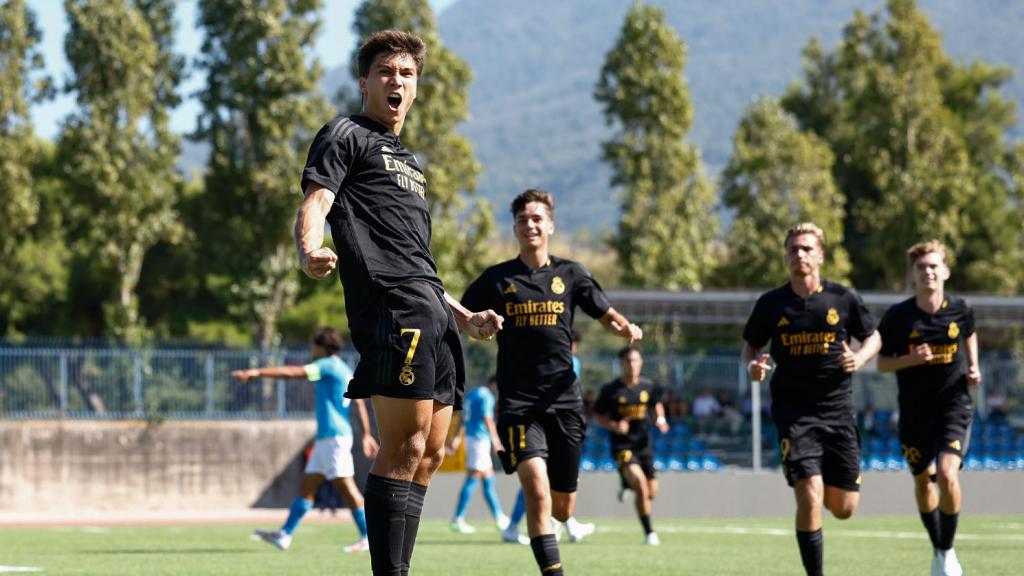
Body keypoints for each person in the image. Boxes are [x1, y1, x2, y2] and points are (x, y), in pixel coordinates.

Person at [293, 30, 502, 576]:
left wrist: (466, 315)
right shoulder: (345, 134)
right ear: (365, 82)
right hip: (393, 310)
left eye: (406, 74)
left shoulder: (411, 163)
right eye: (386, 72)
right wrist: (309, 246)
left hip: (434, 313)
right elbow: (317, 199)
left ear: (416, 90)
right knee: (402, 449)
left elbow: (419, 263)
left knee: (430, 456)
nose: (396, 81)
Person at [462, 188, 642, 576]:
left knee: (563, 507)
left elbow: (606, 314)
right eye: (523, 219)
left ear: (551, 225)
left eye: (537, 218)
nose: (530, 224)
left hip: (564, 403)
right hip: (518, 404)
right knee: (536, 489)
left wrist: (624, 327)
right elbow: (463, 315)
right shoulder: (497, 280)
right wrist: (474, 327)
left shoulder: (571, 274)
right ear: (514, 227)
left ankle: (559, 523)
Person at [741, 222, 881, 576]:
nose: (799, 255)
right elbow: (750, 348)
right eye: (793, 249)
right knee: (808, 489)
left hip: (838, 412)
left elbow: (874, 337)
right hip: (794, 413)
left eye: (806, 249)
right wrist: (752, 367)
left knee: (844, 507)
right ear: (786, 256)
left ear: (820, 256)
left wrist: (860, 359)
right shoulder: (771, 304)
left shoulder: (842, 298)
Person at [877, 240, 981, 576]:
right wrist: (910, 359)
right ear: (913, 275)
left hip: (954, 405)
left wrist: (974, 365)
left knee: (948, 474)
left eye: (934, 266)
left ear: (946, 271)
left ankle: (947, 551)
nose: (928, 272)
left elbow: (970, 333)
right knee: (924, 482)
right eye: (921, 267)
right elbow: (880, 364)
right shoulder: (898, 317)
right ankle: (938, 546)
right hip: (914, 413)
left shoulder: (960, 309)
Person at [231, 328, 378, 553]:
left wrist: (257, 373)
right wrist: (366, 434)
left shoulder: (327, 365)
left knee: (347, 488)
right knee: (307, 487)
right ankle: (285, 534)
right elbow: (358, 402)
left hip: (333, 438)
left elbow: (293, 372)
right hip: (329, 438)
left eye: (313, 345)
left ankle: (369, 537)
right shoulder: (343, 368)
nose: (310, 349)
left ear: (323, 347)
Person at [501, 329, 594, 546]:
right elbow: (571, 398)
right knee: (542, 480)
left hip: (539, 423)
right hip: (555, 426)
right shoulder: (570, 363)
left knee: (538, 479)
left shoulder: (540, 358)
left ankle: (563, 524)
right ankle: (556, 524)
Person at [593, 345, 670, 545]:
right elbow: (598, 416)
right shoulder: (611, 390)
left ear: (641, 362)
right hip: (622, 446)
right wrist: (614, 425)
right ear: (621, 364)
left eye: (635, 360)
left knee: (651, 492)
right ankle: (649, 533)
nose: (632, 365)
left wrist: (660, 419)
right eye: (628, 361)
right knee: (642, 487)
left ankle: (626, 483)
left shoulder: (648, 387)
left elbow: (656, 405)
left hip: (644, 446)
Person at [446, 376, 510, 533]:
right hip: (479, 440)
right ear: (494, 384)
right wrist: (496, 441)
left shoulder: (472, 393)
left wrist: (456, 438)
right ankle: (458, 519)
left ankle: (499, 516)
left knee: (488, 479)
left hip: (472, 439)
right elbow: (487, 418)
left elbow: (463, 417)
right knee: (473, 478)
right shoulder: (486, 396)